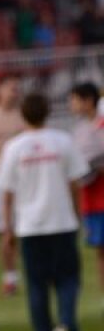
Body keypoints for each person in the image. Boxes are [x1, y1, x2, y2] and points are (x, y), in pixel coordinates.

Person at [0, 92, 91, 331]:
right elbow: (75, 183)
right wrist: (76, 214)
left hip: (30, 226)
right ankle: (66, 325)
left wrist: (8, 228)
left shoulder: (14, 147)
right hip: (61, 221)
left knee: (37, 286)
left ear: (22, 115)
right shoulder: (63, 141)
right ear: (47, 112)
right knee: (68, 280)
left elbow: (7, 193)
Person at [67, 82, 104, 304]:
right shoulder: (78, 130)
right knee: (100, 252)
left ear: (88, 100)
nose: (72, 104)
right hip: (90, 199)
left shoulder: (101, 126)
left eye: (75, 99)